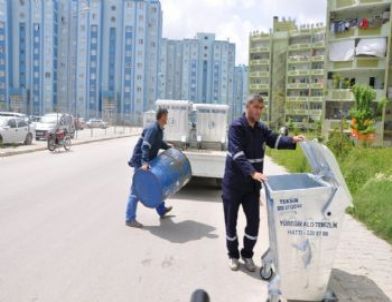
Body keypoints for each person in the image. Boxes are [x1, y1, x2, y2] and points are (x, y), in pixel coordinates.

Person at [222, 94, 305, 272]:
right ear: (248, 107)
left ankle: (247, 254)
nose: (259, 111)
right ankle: (233, 256)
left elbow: (274, 140)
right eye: (256, 107)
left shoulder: (261, 129)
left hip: (252, 186)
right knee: (231, 222)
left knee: (254, 221)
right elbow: (237, 154)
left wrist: (292, 140)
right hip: (234, 184)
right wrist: (252, 172)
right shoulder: (236, 127)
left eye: (261, 108)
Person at [125, 108, 173, 228]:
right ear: (162, 116)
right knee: (136, 190)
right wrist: (144, 163)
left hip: (147, 161)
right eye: (166, 116)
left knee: (156, 186)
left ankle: (161, 210)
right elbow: (145, 146)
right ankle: (129, 218)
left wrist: (167, 146)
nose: (168, 118)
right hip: (140, 161)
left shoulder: (159, 129)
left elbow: (158, 143)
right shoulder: (153, 128)